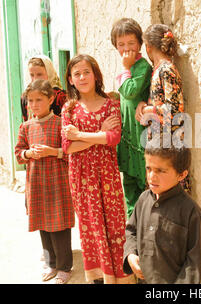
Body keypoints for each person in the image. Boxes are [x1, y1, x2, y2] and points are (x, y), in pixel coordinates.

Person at [61, 54, 129, 284]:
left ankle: (121, 277)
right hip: (80, 177)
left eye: (86, 72)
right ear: (70, 79)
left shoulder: (111, 104)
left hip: (106, 176)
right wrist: (98, 134)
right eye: (76, 74)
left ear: (96, 75)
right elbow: (67, 147)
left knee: (114, 224)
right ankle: (99, 277)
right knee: (90, 227)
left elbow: (114, 137)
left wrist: (80, 135)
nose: (82, 77)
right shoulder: (68, 109)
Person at [15, 79, 74, 284]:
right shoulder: (26, 127)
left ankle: (65, 267)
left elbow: (70, 153)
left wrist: (53, 152)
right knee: (42, 224)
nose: (34, 105)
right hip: (37, 184)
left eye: (39, 99)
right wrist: (29, 153)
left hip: (57, 184)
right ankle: (51, 264)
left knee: (59, 226)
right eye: (30, 101)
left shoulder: (60, 124)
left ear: (50, 99)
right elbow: (18, 154)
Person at [123, 145, 201, 283]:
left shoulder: (191, 212)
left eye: (160, 171)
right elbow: (131, 231)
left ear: (182, 174)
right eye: (148, 168)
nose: (151, 176)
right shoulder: (143, 199)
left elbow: (195, 261)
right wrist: (131, 254)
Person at [136, 24, 190, 192]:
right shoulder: (159, 70)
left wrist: (148, 111)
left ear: (148, 47)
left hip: (169, 143)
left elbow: (174, 109)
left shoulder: (166, 70)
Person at [110, 18, 152, 219]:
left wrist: (126, 68)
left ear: (140, 44)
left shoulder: (141, 66)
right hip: (127, 137)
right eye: (121, 45)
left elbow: (131, 91)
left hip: (140, 137)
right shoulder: (126, 68)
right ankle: (132, 228)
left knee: (144, 183)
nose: (126, 49)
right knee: (129, 186)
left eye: (131, 44)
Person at [21, 55, 67, 121]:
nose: (35, 79)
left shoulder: (60, 96)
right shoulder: (25, 96)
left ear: (49, 73)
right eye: (32, 75)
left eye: (39, 74)